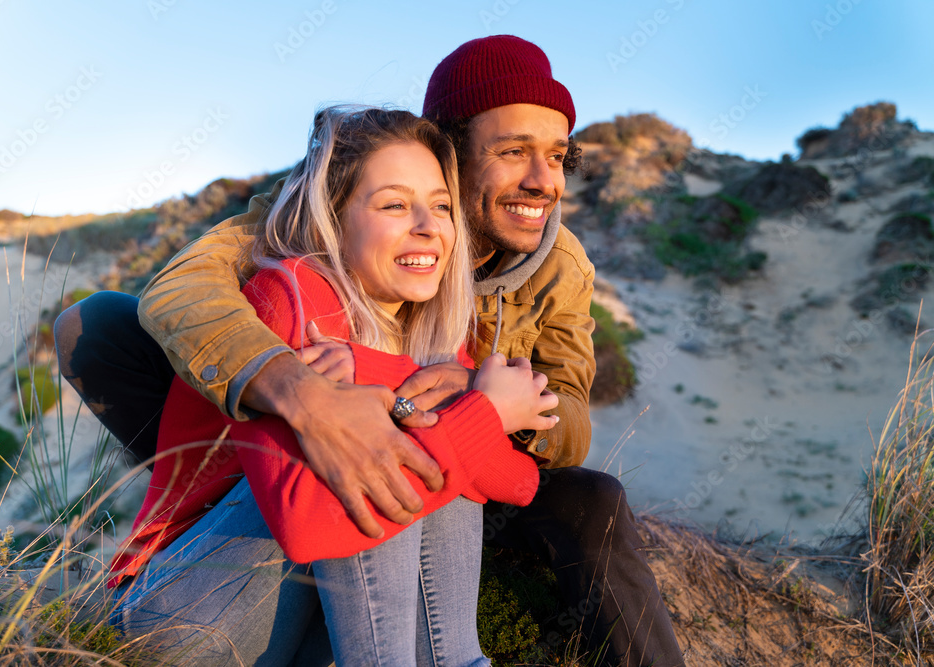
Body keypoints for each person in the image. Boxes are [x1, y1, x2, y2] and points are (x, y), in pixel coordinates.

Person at [57, 35, 685, 666]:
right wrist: (304, 393)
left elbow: (564, 425)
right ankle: (213, 506)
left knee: (587, 497)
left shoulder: (558, 265)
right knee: (106, 326)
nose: (542, 181)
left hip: (465, 463)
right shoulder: (317, 240)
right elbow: (182, 286)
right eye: (513, 151)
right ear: (447, 151)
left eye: (557, 156)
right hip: (302, 482)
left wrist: (463, 396)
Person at [106, 106, 557, 665]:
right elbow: (306, 526)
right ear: (334, 218)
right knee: (396, 442)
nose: (428, 225)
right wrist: (467, 414)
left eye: (440, 206)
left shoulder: (434, 330)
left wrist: (439, 395)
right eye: (394, 204)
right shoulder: (291, 299)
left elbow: (516, 481)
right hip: (178, 617)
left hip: (291, 620)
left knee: (433, 440)